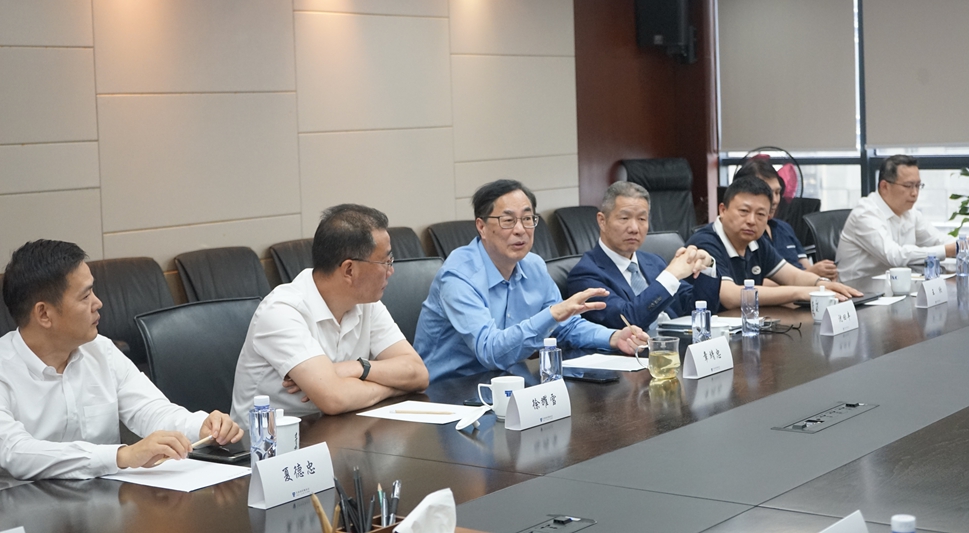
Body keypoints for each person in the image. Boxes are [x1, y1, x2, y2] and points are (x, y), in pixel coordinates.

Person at [0, 240, 243, 481]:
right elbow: (15, 451)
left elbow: (151, 410)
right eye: (85, 296)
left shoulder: (101, 350)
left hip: (106, 496)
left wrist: (202, 426)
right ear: (44, 314)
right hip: (27, 501)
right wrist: (122, 456)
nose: (98, 303)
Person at [413, 179, 647, 382]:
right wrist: (552, 314)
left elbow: (565, 325)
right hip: (449, 392)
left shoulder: (533, 266)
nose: (520, 230)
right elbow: (490, 351)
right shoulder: (459, 276)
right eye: (508, 221)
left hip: (507, 382)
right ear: (481, 227)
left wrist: (614, 337)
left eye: (527, 219)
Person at [230, 204, 429, 419]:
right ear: (349, 270)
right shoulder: (282, 311)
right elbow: (334, 399)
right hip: (272, 439)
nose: (391, 270)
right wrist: (395, 389)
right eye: (385, 261)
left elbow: (418, 373)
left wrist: (358, 368)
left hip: (339, 430)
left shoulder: (366, 303)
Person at [687, 176, 861, 309]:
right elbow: (730, 296)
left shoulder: (756, 242)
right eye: (744, 211)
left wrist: (823, 284)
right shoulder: (705, 242)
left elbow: (793, 276)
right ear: (723, 210)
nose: (751, 221)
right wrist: (801, 292)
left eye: (761, 214)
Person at [565, 181, 720, 330]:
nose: (634, 228)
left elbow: (696, 309)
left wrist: (707, 267)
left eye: (641, 219)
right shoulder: (585, 274)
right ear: (602, 221)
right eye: (624, 218)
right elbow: (627, 320)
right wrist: (671, 275)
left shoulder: (654, 262)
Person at [837, 155, 969, 281]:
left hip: (894, 288)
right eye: (908, 186)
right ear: (884, 186)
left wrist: (965, 244)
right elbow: (894, 256)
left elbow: (937, 240)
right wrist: (949, 249)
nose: (915, 193)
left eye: (918, 185)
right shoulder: (866, 213)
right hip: (858, 292)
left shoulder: (909, 212)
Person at [733, 157, 838, 280]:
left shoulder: (784, 228)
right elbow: (752, 283)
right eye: (767, 193)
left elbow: (806, 267)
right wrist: (810, 274)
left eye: (777, 193)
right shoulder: (744, 233)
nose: (774, 200)